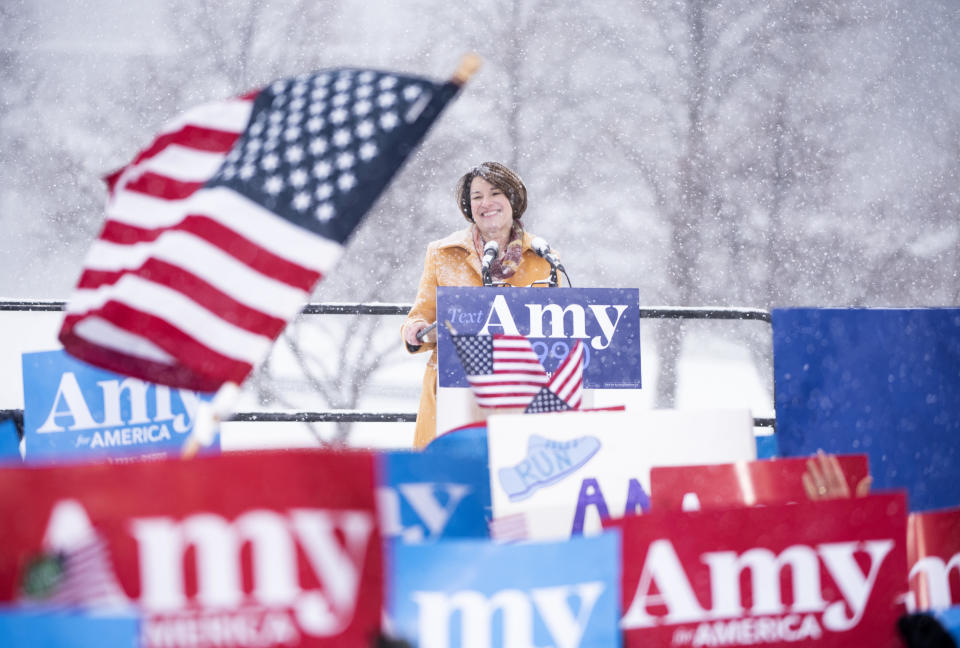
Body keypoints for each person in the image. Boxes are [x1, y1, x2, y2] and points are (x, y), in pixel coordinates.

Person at [401, 162, 554, 448]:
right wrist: (417, 330)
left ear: (513, 199)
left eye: (495, 193)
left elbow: (555, 328)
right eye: (477, 196)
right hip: (454, 386)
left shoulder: (544, 256)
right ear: (468, 206)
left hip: (519, 387)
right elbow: (419, 317)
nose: (486, 203)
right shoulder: (442, 254)